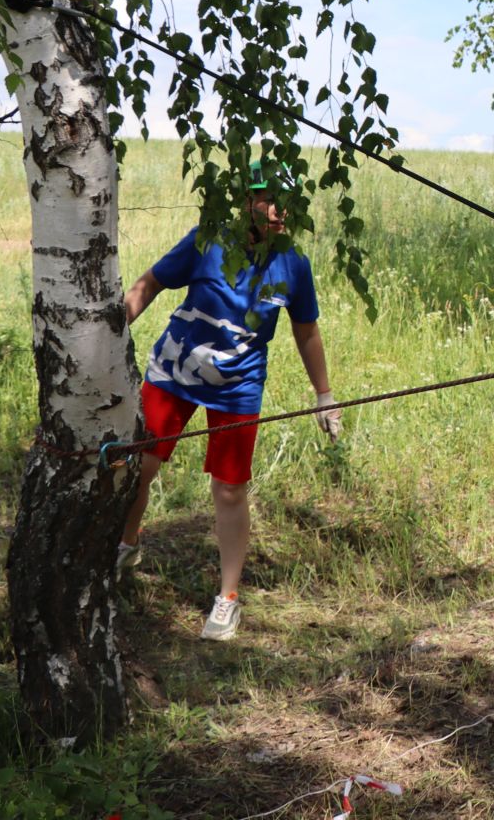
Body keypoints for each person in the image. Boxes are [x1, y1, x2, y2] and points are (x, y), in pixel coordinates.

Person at [118, 161, 339, 642]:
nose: (280, 211)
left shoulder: (293, 263)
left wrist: (324, 395)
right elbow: (150, 282)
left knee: (229, 489)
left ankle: (228, 598)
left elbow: (306, 331)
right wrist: (112, 329)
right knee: (142, 464)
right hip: (174, 369)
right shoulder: (208, 241)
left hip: (238, 385)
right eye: (270, 199)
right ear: (247, 203)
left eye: (289, 201)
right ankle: (125, 544)